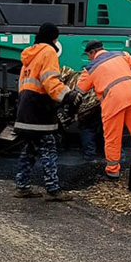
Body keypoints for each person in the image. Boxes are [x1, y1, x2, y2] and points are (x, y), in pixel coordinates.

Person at [13, 22, 80, 200]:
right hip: (39, 110)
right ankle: (53, 189)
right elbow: (50, 81)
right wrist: (68, 95)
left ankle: (22, 186)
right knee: (48, 149)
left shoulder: (29, 57)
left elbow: (23, 85)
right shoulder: (48, 52)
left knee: (29, 149)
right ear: (53, 38)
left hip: (25, 108)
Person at [76, 40, 131, 180]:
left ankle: (113, 171)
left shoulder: (91, 68)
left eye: (89, 55)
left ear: (93, 52)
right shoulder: (122, 54)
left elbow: (78, 92)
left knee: (113, 137)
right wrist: (128, 83)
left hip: (113, 102)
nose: (89, 58)